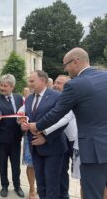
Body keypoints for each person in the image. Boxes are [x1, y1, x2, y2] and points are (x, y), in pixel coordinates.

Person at [29, 47, 107, 199]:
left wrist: (37, 126)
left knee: (93, 194)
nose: (65, 69)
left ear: (76, 62)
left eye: (66, 65)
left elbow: (57, 113)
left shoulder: (75, 84)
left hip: (94, 151)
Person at [21, 70, 68, 199]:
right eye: (29, 81)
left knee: (51, 184)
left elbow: (63, 120)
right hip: (35, 147)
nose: (29, 84)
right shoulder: (29, 99)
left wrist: (45, 136)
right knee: (41, 184)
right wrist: (24, 125)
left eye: (32, 81)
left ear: (43, 80)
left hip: (53, 147)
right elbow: (28, 118)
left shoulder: (57, 96)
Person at [0, 74, 24, 198]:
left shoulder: (19, 98)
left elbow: (22, 111)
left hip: (16, 138)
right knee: (3, 164)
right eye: (1, 85)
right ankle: (4, 186)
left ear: (12, 86)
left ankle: (17, 186)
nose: (2, 88)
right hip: (2, 138)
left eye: (5, 86)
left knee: (16, 165)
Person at [18, 87, 36, 199]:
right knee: (31, 165)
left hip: (45, 136)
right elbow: (19, 118)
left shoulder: (50, 99)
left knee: (44, 165)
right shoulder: (26, 104)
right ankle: (32, 189)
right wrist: (21, 123)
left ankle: (41, 186)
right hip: (29, 138)